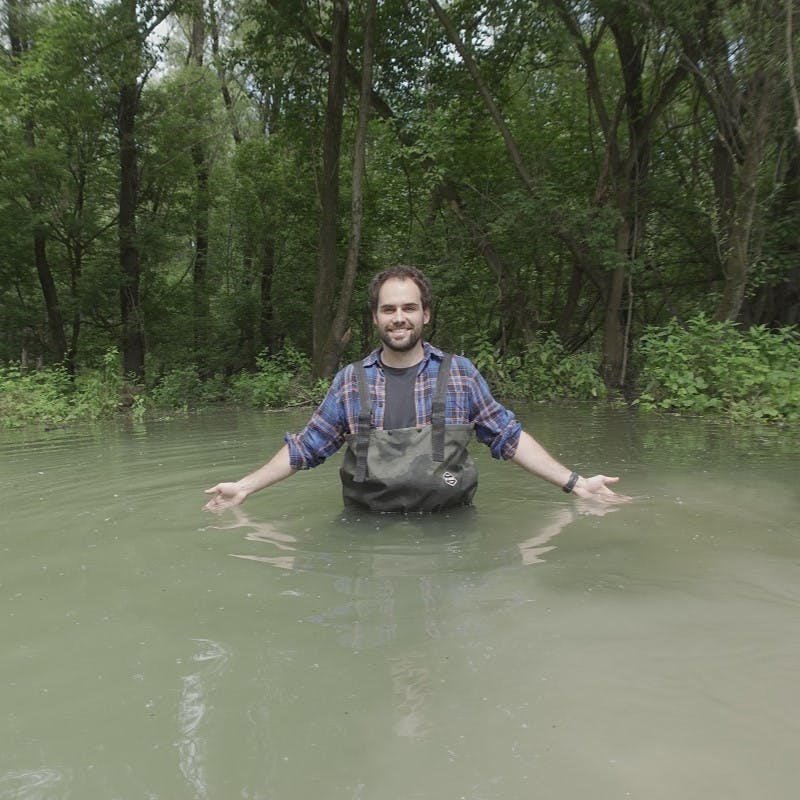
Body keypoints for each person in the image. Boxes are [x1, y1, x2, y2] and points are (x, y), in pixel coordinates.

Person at [204, 265, 629, 513]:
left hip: (451, 525)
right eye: (388, 309)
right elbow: (306, 447)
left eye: (409, 307)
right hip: (366, 530)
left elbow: (509, 437)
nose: (399, 317)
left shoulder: (461, 374)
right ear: (375, 318)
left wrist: (575, 483)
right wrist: (244, 486)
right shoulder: (351, 382)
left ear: (426, 314)